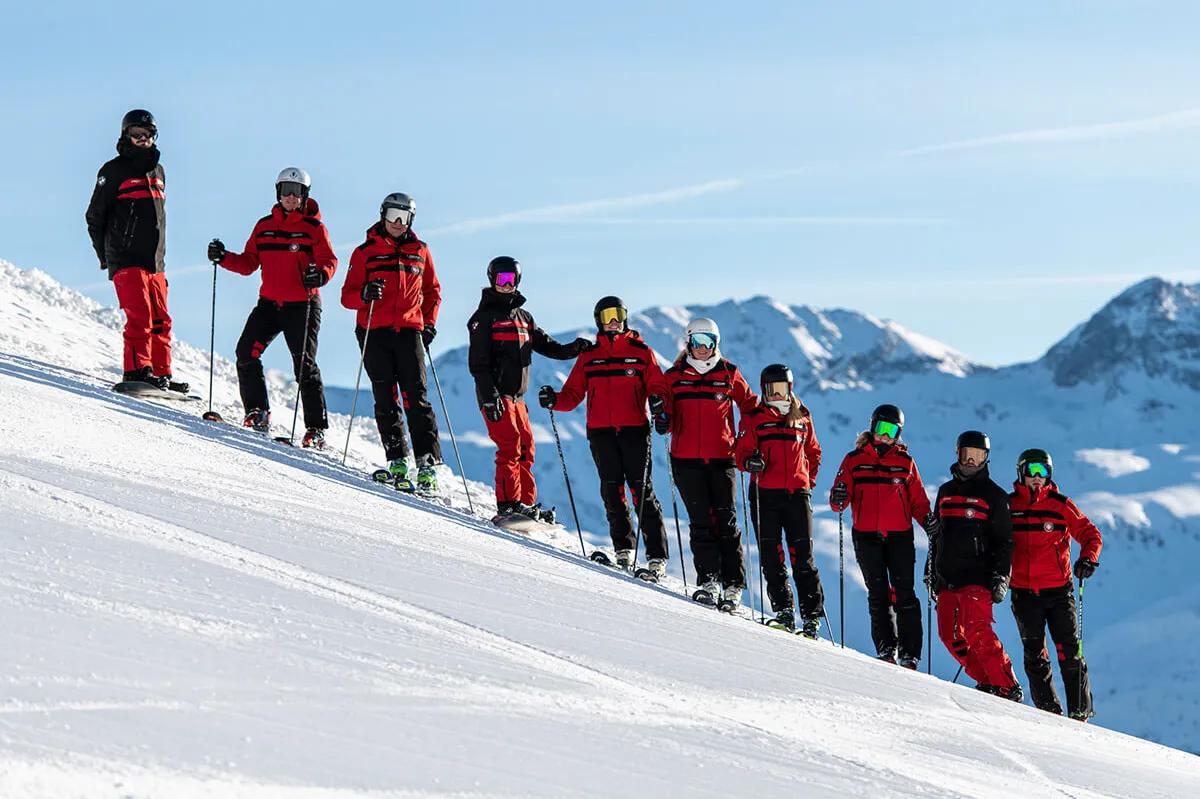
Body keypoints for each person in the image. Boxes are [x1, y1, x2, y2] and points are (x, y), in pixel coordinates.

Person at [207, 168, 335, 447]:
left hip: (303, 305)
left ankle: (316, 428)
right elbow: (248, 263)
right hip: (269, 304)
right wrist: (224, 257)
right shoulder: (264, 226)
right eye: (286, 189)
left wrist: (321, 275)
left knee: (304, 365)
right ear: (278, 192)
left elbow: (329, 260)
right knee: (245, 353)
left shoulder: (314, 228)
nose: (291, 196)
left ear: (305, 195)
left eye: (297, 190)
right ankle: (257, 412)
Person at [540, 296, 669, 570]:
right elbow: (573, 394)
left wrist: (658, 401)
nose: (614, 321)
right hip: (601, 432)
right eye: (608, 315)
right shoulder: (589, 354)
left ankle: (656, 555)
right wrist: (554, 400)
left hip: (634, 430)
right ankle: (624, 549)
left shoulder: (641, 351)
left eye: (619, 314)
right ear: (598, 319)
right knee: (613, 492)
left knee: (641, 491)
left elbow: (658, 385)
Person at [469, 257, 590, 518]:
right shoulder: (483, 318)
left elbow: (549, 346)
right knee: (509, 446)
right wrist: (489, 396)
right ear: (492, 280)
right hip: (497, 396)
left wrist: (574, 348)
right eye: (502, 279)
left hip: (518, 397)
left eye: (512, 279)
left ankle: (526, 504)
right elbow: (478, 363)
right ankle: (508, 505)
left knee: (526, 447)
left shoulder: (524, 318)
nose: (507, 284)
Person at [341, 193, 443, 491]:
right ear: (383, 215)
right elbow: (347, 295)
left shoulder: (420, 251)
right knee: (386, 396)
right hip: (374, 330)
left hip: (410, 329)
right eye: (393, 215)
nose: (398, 223)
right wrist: (365, 294)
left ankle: (427, 464)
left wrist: (430, 323)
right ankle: (397, 458)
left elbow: (433, 292)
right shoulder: (364, 252)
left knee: (417, 396)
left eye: (405, 217)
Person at [654, 318, 757, 599]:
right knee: (700, 522)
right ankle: (709, 581)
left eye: (708, 342)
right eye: (697, 341)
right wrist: (663, 420)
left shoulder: (729, 373)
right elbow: (666, 411)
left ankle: (733, 585)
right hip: (686, 459)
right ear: (688, 342)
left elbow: (751, 408)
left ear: (716, 344)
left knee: (726, 521)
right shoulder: (674, 376)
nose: (702, 348)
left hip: (723, 458)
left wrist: (746, 443)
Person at [829, 404, 936, 668]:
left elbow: (918, 502)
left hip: (899, 537)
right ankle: (887, 649)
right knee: (878, 594)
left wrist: (929, 522)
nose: (885, 436)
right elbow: (838, 500)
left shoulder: (905, 463)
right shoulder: (854, 460)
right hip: (866, 537)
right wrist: (839, 498)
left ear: (898, 434)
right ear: (872, 427)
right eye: (881, 428)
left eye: (892, 431)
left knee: (904, 594)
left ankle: (910, 653)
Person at [86, 109, 185, 391]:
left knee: (161, 320)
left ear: (154, 136)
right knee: (139, 316)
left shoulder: (159, 171)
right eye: (136, 134)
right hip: (126, 257)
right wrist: (107, 257)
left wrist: (160, 258)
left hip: (156, 261)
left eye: (148, 134)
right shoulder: (113, 171)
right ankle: (136, 371)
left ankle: (161, 374)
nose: (142, 139)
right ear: (126, 135)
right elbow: (94, 217)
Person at [927, 431, 1023, 702]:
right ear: (957, 454)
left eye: (978, 455)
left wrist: (1001, 577)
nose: (971, 460)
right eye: (966, 454)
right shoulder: (945, 492)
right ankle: (986, 680)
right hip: (947, 577)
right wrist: (931, 572)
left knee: (977, 631)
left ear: (986, 458)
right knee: (948, 635)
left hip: (978, 577)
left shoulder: (995, 496)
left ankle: (1006, 684)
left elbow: (1005, 542)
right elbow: (937, 536)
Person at [1008, 448, 1102, 720]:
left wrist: (1088, 559)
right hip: (1024, 593)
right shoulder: (1009, 505)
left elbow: (1090, 534)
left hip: (1058, 592)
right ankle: (1049, 712)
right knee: (1035, 655)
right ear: (1021, 473)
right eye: (1031, 471)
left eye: (1043, 472)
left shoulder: (1060, 505)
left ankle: (1080, 711)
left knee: (1069, 652)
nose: (1037, 478)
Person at [735, 364, 826, 636]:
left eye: (781, 389)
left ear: (790, 388)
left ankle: (811, 616)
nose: (777, 395)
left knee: (803, 558)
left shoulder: (802, 417)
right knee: (772, 556)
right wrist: (749, 461)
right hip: (765, 493)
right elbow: (741, 452)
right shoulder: (755, 418)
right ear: (763, 391)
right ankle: (784, 610)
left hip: (797, 496)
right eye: (771, 390)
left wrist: (806, 483)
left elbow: (814, 453)